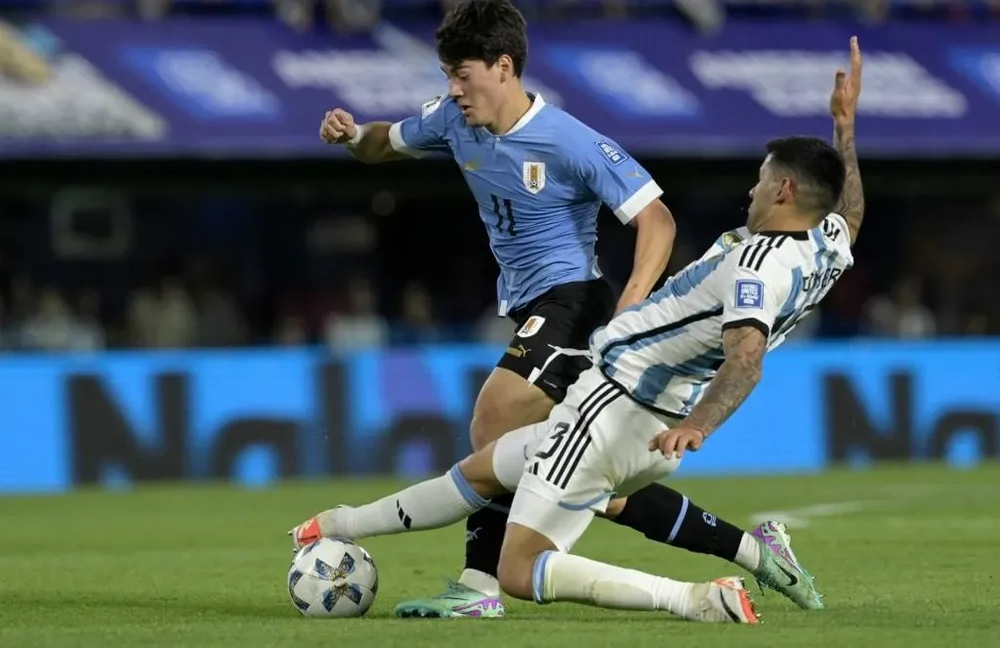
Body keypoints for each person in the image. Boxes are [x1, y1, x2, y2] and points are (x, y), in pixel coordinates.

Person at [293, 37, 866, 621]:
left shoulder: (755, 265)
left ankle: (690, 600)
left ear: (785, 191)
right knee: (494, 471)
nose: (752, 188)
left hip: (618, 396)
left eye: (762, 179)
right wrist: (845, 128)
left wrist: (698, 423)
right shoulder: (821, 249)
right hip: (641, 406)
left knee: (517, 541)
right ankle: (336, 523)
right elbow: (850, 216)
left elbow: (746, 355)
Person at [312, 0, 679, 618]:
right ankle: (748, 549)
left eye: (464, 75)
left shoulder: (569, 140)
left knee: (493, 421)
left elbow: (658, 221)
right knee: (572, 470)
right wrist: (351, 137)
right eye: (448, 76)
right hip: (529, 304)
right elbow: (383, 143)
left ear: (504, 68)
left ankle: (480, 587)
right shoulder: (453, 121)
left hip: (575, 300)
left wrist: (630, 310)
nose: (454, 90)